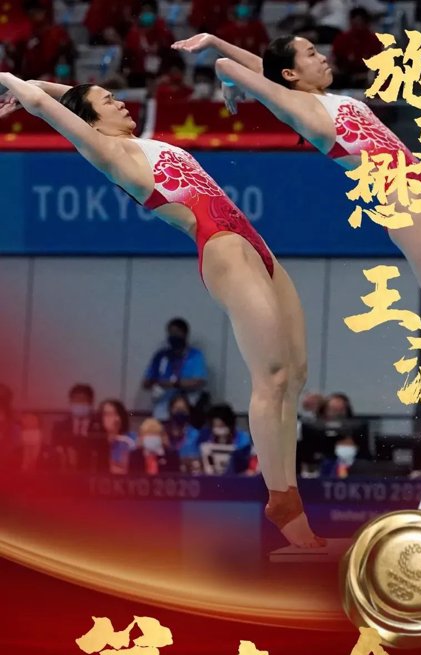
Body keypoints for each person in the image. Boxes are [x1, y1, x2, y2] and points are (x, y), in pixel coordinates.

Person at [0, 72, 323, 548]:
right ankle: (281, 499)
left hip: (256, 244)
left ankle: (291, 496)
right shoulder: (110, 154)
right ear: (91, 121)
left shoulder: (139, 141)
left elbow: (60, 96)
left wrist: (32, 84)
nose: (121, 102)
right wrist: (10, 79)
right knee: (272, 375)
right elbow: (49, 105)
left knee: (295, 375)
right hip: (223, 247)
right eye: (109, 100)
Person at [172, 31, 421, 445]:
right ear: (291, 74)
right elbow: (233, 68)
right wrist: (225, 69)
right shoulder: (302, 108)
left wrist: (220, 43)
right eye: (310, 53)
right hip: (401, 198)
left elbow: (264, 69)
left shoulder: (320, 96)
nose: (322, 57)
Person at [142, 317, 208, 422]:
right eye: (170, 333)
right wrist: (156, 383)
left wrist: (172, 384)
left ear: (185, 334)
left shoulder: (195, 355)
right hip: (162, 406)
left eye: (176, 332)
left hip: (187, 405)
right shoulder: (161, 355)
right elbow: (146, 383)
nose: (173, 336)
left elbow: (198, 381)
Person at [51, 383, 105, 471]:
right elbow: (55, 453)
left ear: (91, 403)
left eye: (83, 400)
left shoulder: (102, 427)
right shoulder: (59, 427)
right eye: (76, 400)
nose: (79, 403)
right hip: (66, 473)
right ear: (70, 402)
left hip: (93, 473)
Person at [198, 403, 252, 475]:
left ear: (229, 424)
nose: (218, 429)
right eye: (215, 426)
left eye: (221, 426)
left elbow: (243, 457)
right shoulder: (209, 439)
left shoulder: (243, 437)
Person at [97, 399, 136, 474]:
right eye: (109, 414)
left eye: (117, 414)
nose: (116, 419)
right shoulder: (96, 440)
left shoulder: (131, 438)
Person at [163, 394, 201, 464]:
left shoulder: (195, 434)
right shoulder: (162, 432)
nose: (180, 412)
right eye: (177, 409)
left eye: (183, 409)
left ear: (188, 412)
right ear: (170, 410)